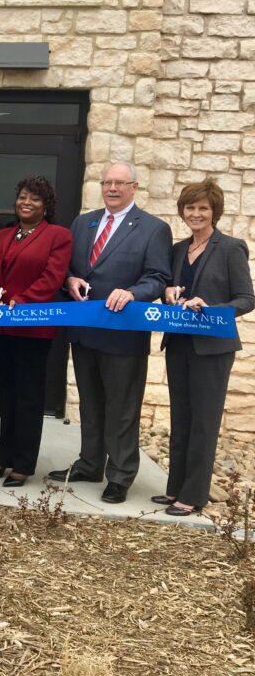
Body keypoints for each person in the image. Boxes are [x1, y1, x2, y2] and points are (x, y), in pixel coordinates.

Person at [48, 162, 172, 503]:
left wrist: (133, 292)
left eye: (120, 183)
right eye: (107, 182)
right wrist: (70, 279)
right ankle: (90, 464)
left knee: (122, 407)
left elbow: (158, 276)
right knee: (90, 402)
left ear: (134, 188)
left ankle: (120, 475)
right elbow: (70, 268)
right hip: (85, 330)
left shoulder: (152, 228)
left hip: (123, 334)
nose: (112, 188)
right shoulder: (83, 222)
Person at [154, 179, 254, 516]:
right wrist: (168, 294)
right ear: (182, 212)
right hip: (179, 341)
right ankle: (175, 489)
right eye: (190, 207)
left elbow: (246, 298)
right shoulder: (178, 249)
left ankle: (194, 495)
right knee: (181, 417)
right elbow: (170, 289)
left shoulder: (231, 247)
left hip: (213, 347)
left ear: (214, 212)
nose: (196, 213)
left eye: (203, 208)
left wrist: (210, 307)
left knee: (204, 421)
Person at [0, 177, 71, 487]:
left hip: (33, 327)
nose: (25, 202)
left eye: (34, 198)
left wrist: (21, 300)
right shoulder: (1, 234)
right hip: (2, 326)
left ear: (46, 205)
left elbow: (52, 277)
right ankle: (2, 455)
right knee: (5, 394)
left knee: (28, 397)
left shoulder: (58, 236)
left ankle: (23, 462)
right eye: (21, 197)